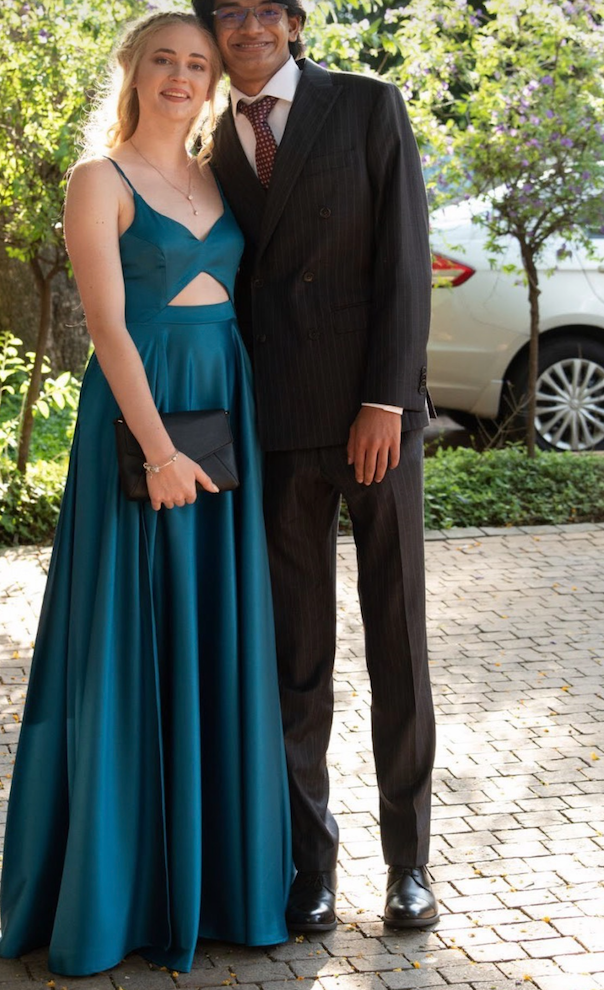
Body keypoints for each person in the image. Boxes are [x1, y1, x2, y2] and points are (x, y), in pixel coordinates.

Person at [0, 11, 292, 976]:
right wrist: (160, 451)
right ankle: (116, 899)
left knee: (216, 637)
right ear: (132, 71)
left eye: (197, 63)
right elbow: (107, 328)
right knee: (130, 642)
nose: (181, 75)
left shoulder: (219, 177)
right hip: (144, 423)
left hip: (225, 412)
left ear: (214, 80)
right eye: (163, 59)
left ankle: (221, 887)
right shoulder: (101, 179)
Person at [191, 0, 439, 932]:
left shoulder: (367, 105)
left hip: (373, 421)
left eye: (267, 9)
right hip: (275, 427)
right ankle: (311, 866)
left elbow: (404, 259)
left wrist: (387, 398)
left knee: (397, 645)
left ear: (295, 23)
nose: (249, 27)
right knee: (295, 661)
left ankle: (410, 864)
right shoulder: (206, 136)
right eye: (230, 14)